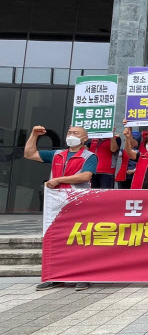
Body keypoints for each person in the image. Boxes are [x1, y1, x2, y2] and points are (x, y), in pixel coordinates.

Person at [24, 125, 97, 292]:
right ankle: (55, 277)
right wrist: (34, 135)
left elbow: (85, 176)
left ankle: (83, 276)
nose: (71, 135)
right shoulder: (57, 154)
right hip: (56, 203)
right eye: (70, 132)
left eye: (76, 133)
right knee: (56, 240)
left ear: (84, 139)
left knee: (80, 239)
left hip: (78, 203)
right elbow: (29, 154)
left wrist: (59, 179)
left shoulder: (89, 156)